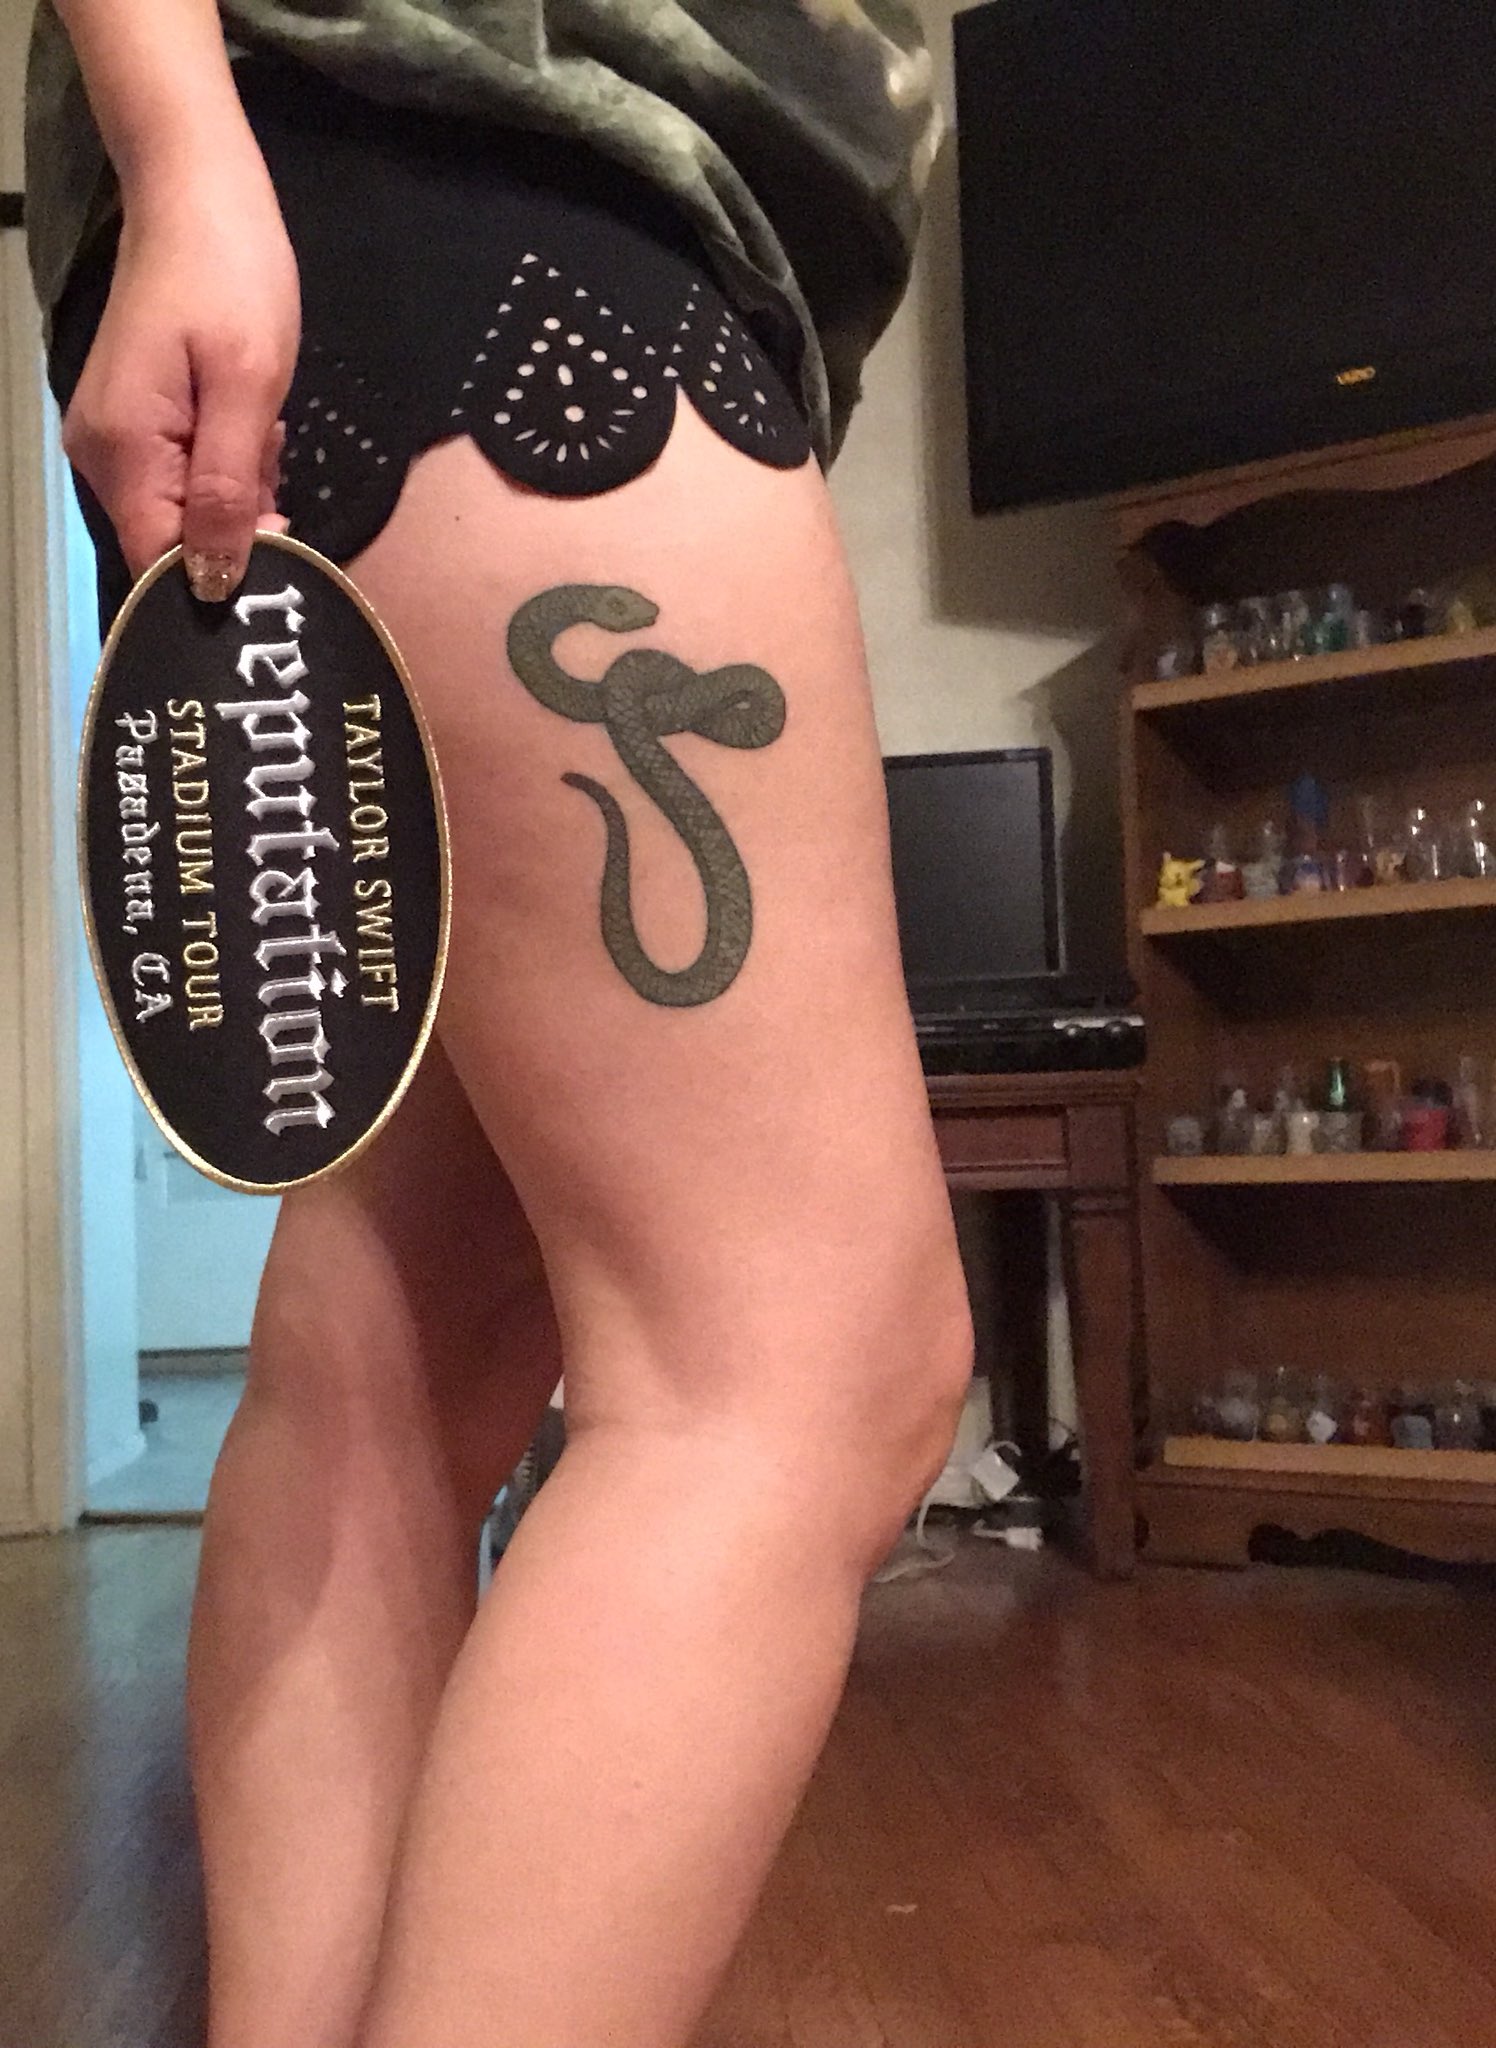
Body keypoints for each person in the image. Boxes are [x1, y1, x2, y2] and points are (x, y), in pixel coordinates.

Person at [25, 6, 974, 2045]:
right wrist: (179, 137)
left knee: (404, 1340)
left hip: (388, 203)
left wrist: (188, 154)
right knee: (798, 1370)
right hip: (499, 182)